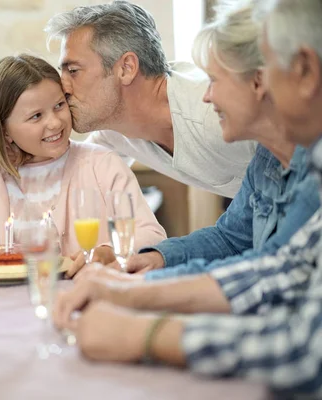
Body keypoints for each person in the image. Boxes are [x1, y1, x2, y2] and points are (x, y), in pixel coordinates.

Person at [53, 0, 322, 396]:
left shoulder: (222, 125)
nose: (208, 95)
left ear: (300, 71)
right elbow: (272, 265)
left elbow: (299, 338)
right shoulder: (270, 159)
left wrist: (147, 333)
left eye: (216, 78)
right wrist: (146, 272)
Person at [70, 0, 320, 280]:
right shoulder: (264, 162)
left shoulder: (219, 119)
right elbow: (233, 239)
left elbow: (270, 272)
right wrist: (156, 259)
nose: (207, 94)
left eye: (73, 71)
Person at [0, 0, 256, 200]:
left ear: (125, 69)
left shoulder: (216, 113)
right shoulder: (112, 133)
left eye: (73, 70)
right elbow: (70, 173)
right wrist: (15, 152)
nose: (62, 86)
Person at [0, 54, 166, 275]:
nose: (55, 122)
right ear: (4, 131)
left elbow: (152, 235)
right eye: (36, 116)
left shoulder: (102, 166)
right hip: (1, 310)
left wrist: (110, 251)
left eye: (59, 105)